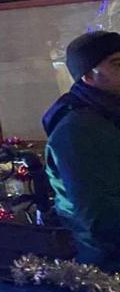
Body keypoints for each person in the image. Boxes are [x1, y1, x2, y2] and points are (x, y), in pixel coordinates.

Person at [43, 30, 120, 270]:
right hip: (105, 266)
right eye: (117, 64)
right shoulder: (78, 130)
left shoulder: (110, 116)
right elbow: (99, 219)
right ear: (88, 75)